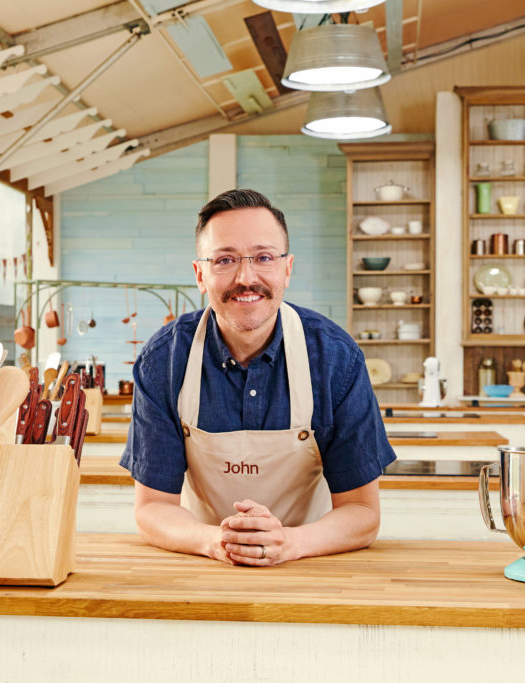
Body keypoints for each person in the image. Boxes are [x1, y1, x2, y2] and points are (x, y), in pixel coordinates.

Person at [120, 189, 395, 566]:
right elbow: (152, 508)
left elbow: (362, 512)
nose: (246, 277)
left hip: (311, 564)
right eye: (225, 259)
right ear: (200, 275)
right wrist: (217, 541)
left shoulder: (335, 357)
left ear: (287, 268)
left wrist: (291, 543)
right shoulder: (163, 360)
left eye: (264, 257)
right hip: (202, 566)